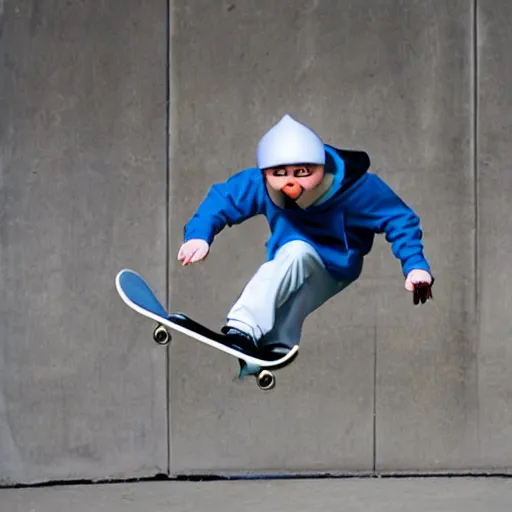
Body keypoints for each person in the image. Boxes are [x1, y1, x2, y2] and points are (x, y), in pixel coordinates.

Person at [176, 114, 433, 370]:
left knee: (298, 256)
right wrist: (199, 234)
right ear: (267, 173)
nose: (291, 184)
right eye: (280, 174)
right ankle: (276, 346)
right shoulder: (259, 184)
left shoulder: (357, 188)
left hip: (338, 266)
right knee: (290, 273)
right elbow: (223, 200)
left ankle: (241, 328)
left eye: (302, 172)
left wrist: (415, 265)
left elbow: (399, 219)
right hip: (290, 258)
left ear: (320, 167)